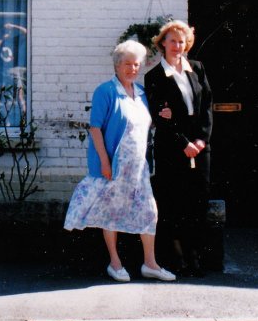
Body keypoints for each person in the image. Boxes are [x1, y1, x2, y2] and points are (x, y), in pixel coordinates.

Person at [64, 40, 176, 283]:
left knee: (149, 211)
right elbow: (95, 128)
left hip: (138, 167)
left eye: (136, 65)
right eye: (127, 64)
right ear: (117, 65)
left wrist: (161, 116)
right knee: (110, 212)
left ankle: (150, 264)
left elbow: (144, 125)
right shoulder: (105, 91)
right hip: (114, 165)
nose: (132, 69)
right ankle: (115, 263)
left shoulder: (142, 94)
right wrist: (104, 162)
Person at [145, 19, 213, 277]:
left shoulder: (197, 69)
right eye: (172, 40)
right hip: (172, 149)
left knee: (197, 203)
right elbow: (160, 117)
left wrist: (201, 140)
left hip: (199, 149)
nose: (177, 45)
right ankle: (176, 258)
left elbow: (206, 107)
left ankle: (195, 257)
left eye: (181, 41)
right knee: (172, 203)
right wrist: (183, 142)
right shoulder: (153, 76)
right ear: (163, 43)